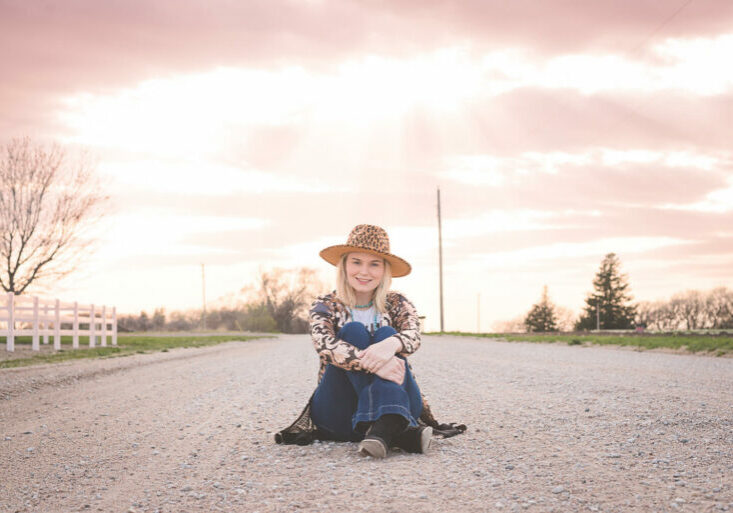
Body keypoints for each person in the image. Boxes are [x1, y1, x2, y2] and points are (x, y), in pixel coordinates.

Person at [274, 224, 465, 458]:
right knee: (353, 331)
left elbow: (413, 336)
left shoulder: (397, 303)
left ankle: (382, 429)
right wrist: (376, 363)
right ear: (344, 264)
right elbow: (324, 344)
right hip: (339, 413)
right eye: (356, 262)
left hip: (401, 403)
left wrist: (389, 346)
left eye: (374, 264)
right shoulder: (325, 304)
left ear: (384, 270)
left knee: (386, 334)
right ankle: (396, 431)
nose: (364, 271)